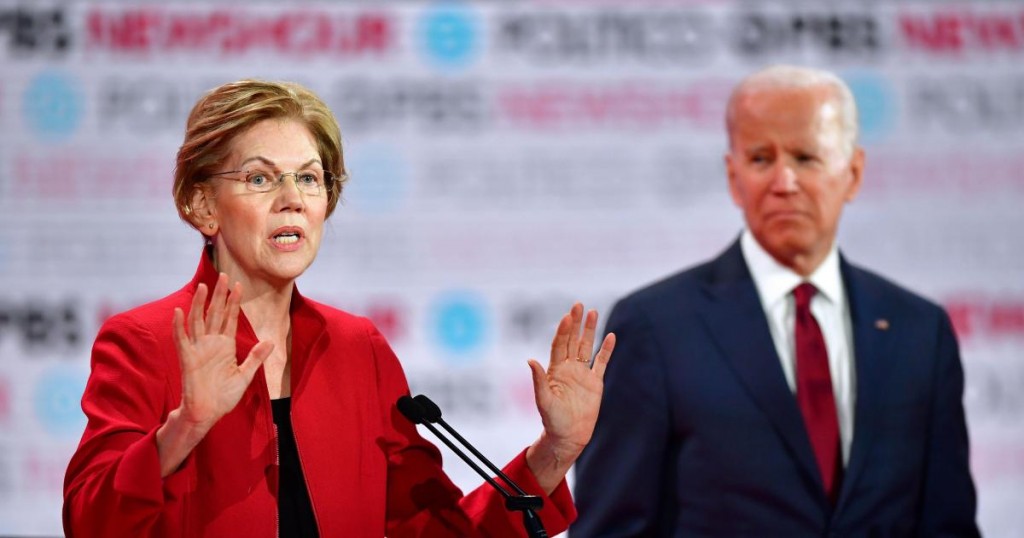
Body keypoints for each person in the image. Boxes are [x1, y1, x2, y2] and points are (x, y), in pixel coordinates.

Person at [62, 79, 616, 537]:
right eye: (259, 178)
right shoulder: (146, 341)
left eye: (309, 178)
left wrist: (556, 450)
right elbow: (90, 523)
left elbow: (432, 529)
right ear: (202, 205)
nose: (292, 198)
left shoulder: (358, 349)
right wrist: (186, 428)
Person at [571, 65, 979, 536]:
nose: (784, 181)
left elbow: (948, 524)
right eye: (762, 159)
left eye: (807, 157)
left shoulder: (919, 331)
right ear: (733, 175)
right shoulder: (657, 327)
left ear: (853, 172)